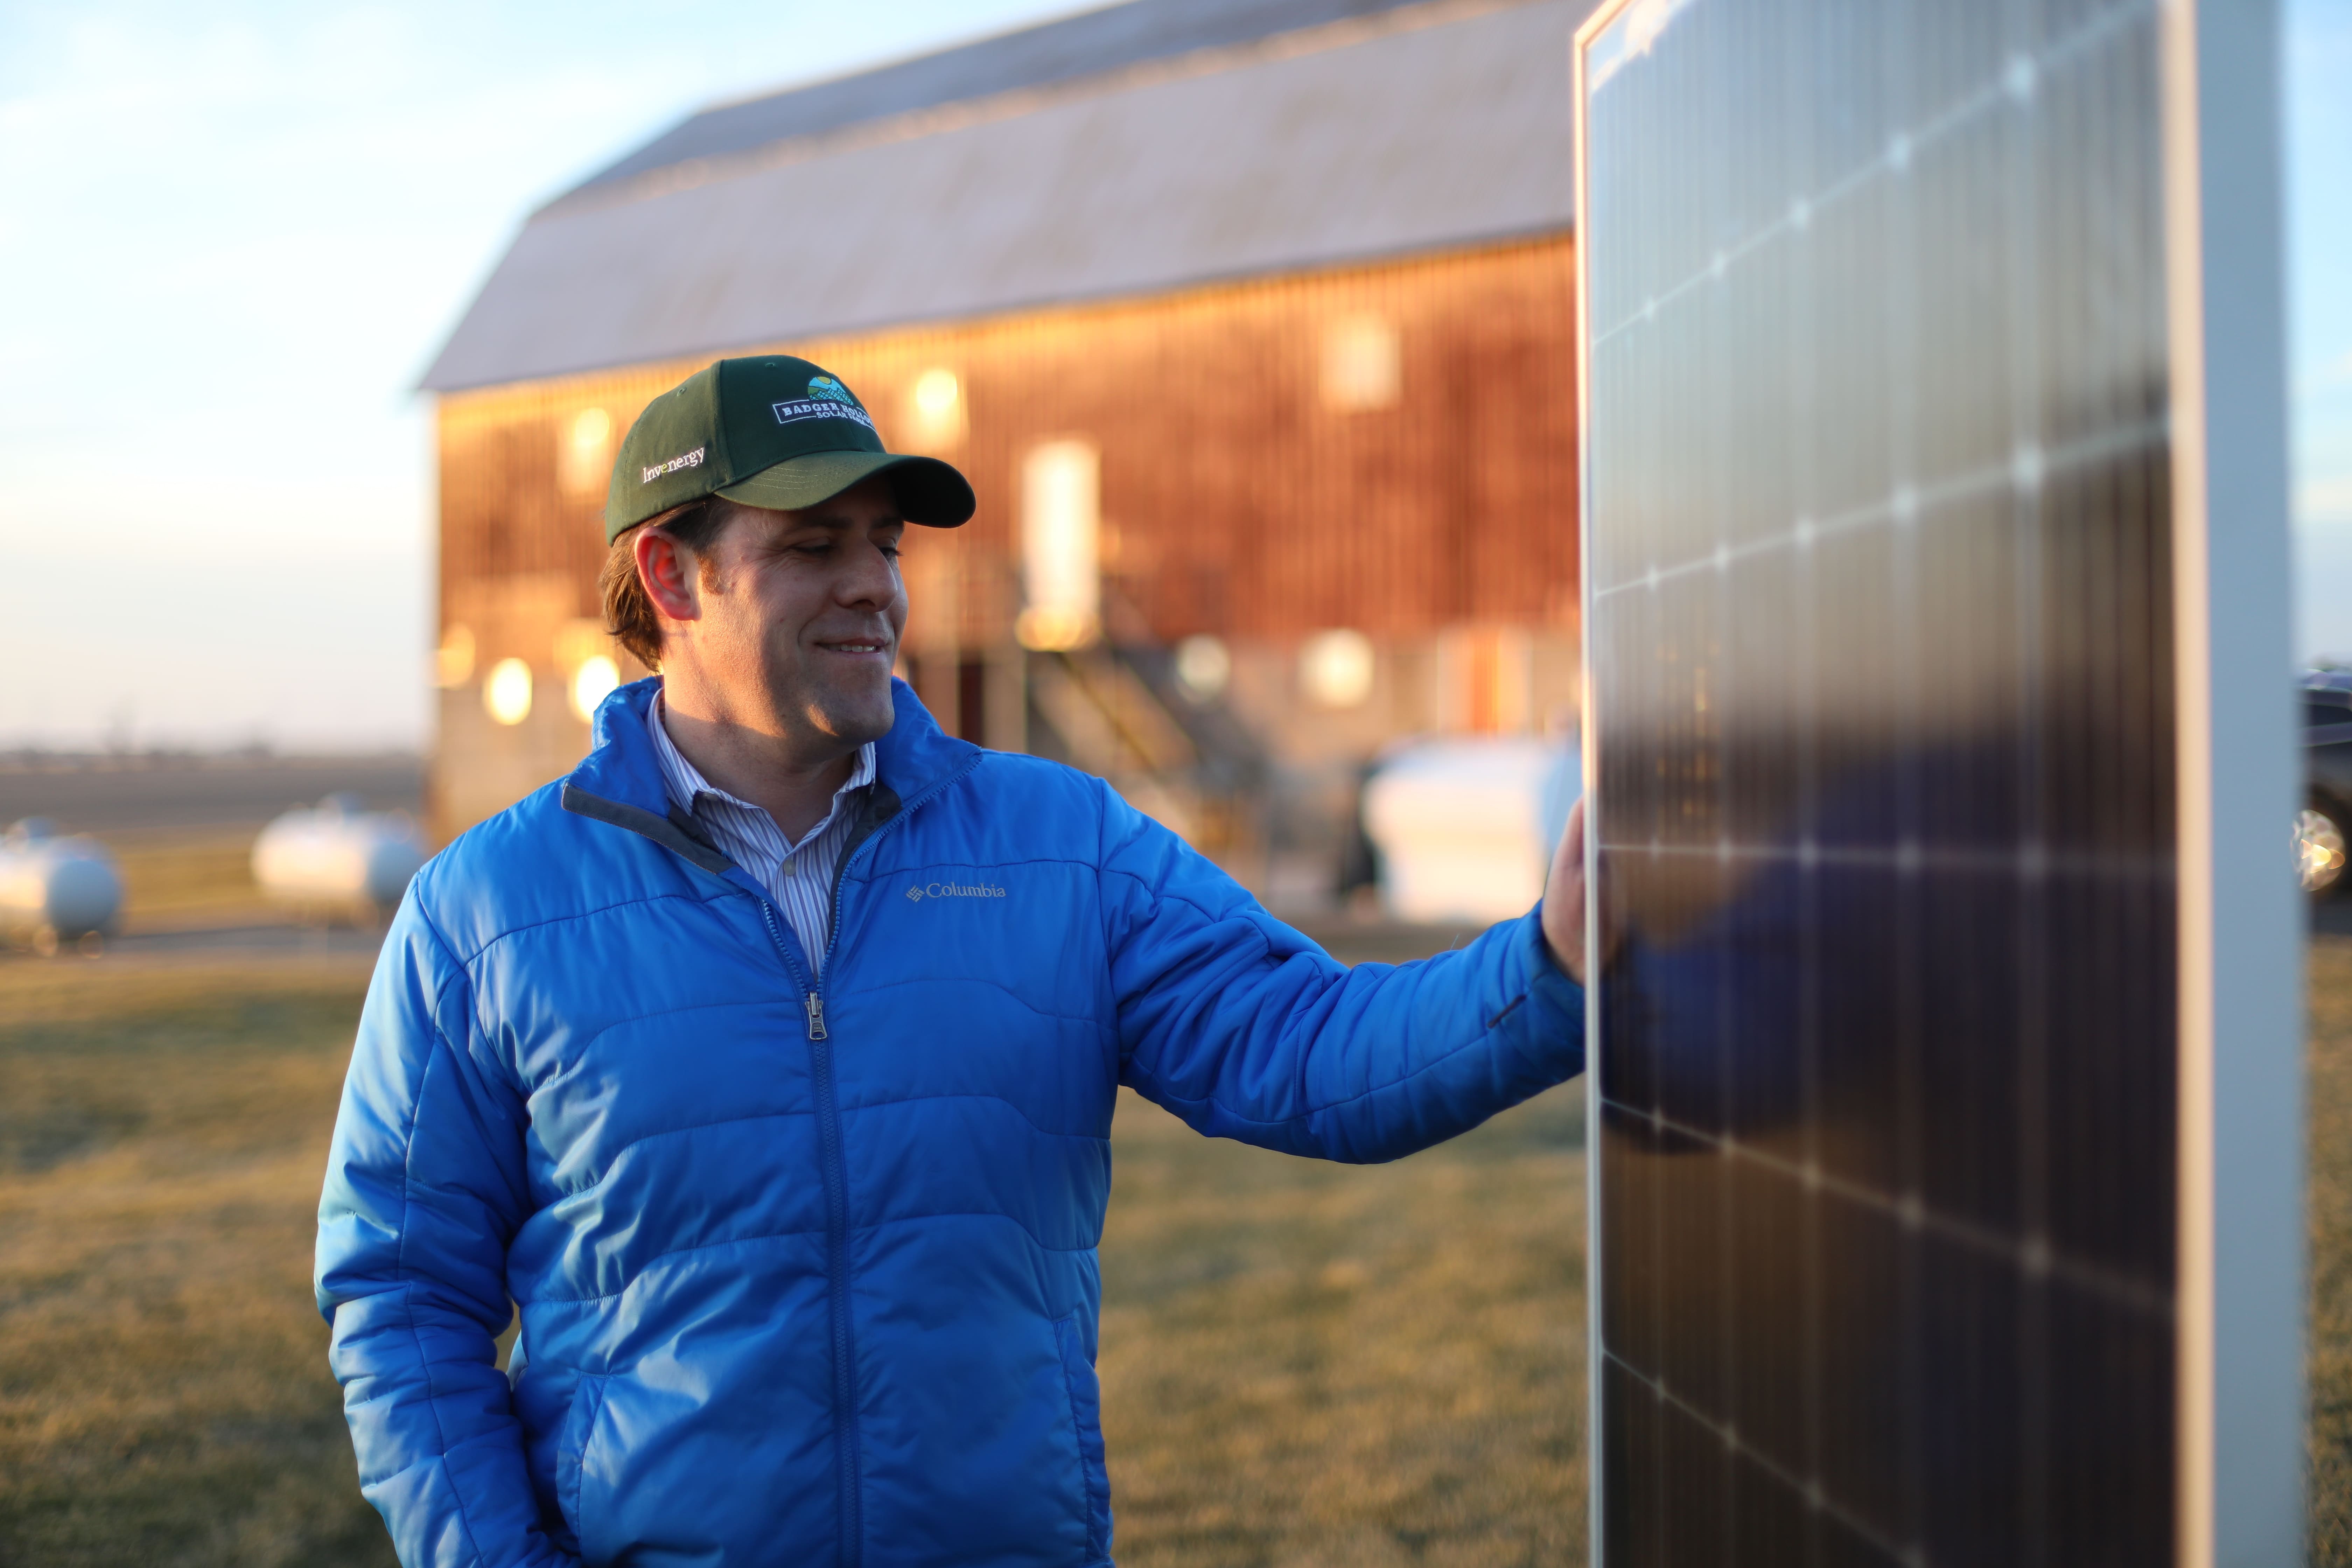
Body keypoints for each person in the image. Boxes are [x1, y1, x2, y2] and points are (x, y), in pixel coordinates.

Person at [314, 355, 1589, 1568]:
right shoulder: (484, 912)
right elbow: (403, 1298)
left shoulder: (1063, 848)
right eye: (815, 546)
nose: (877, 585)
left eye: (886, 544)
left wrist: (1553, 966)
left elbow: (1315, 1055)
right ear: (673, 576)